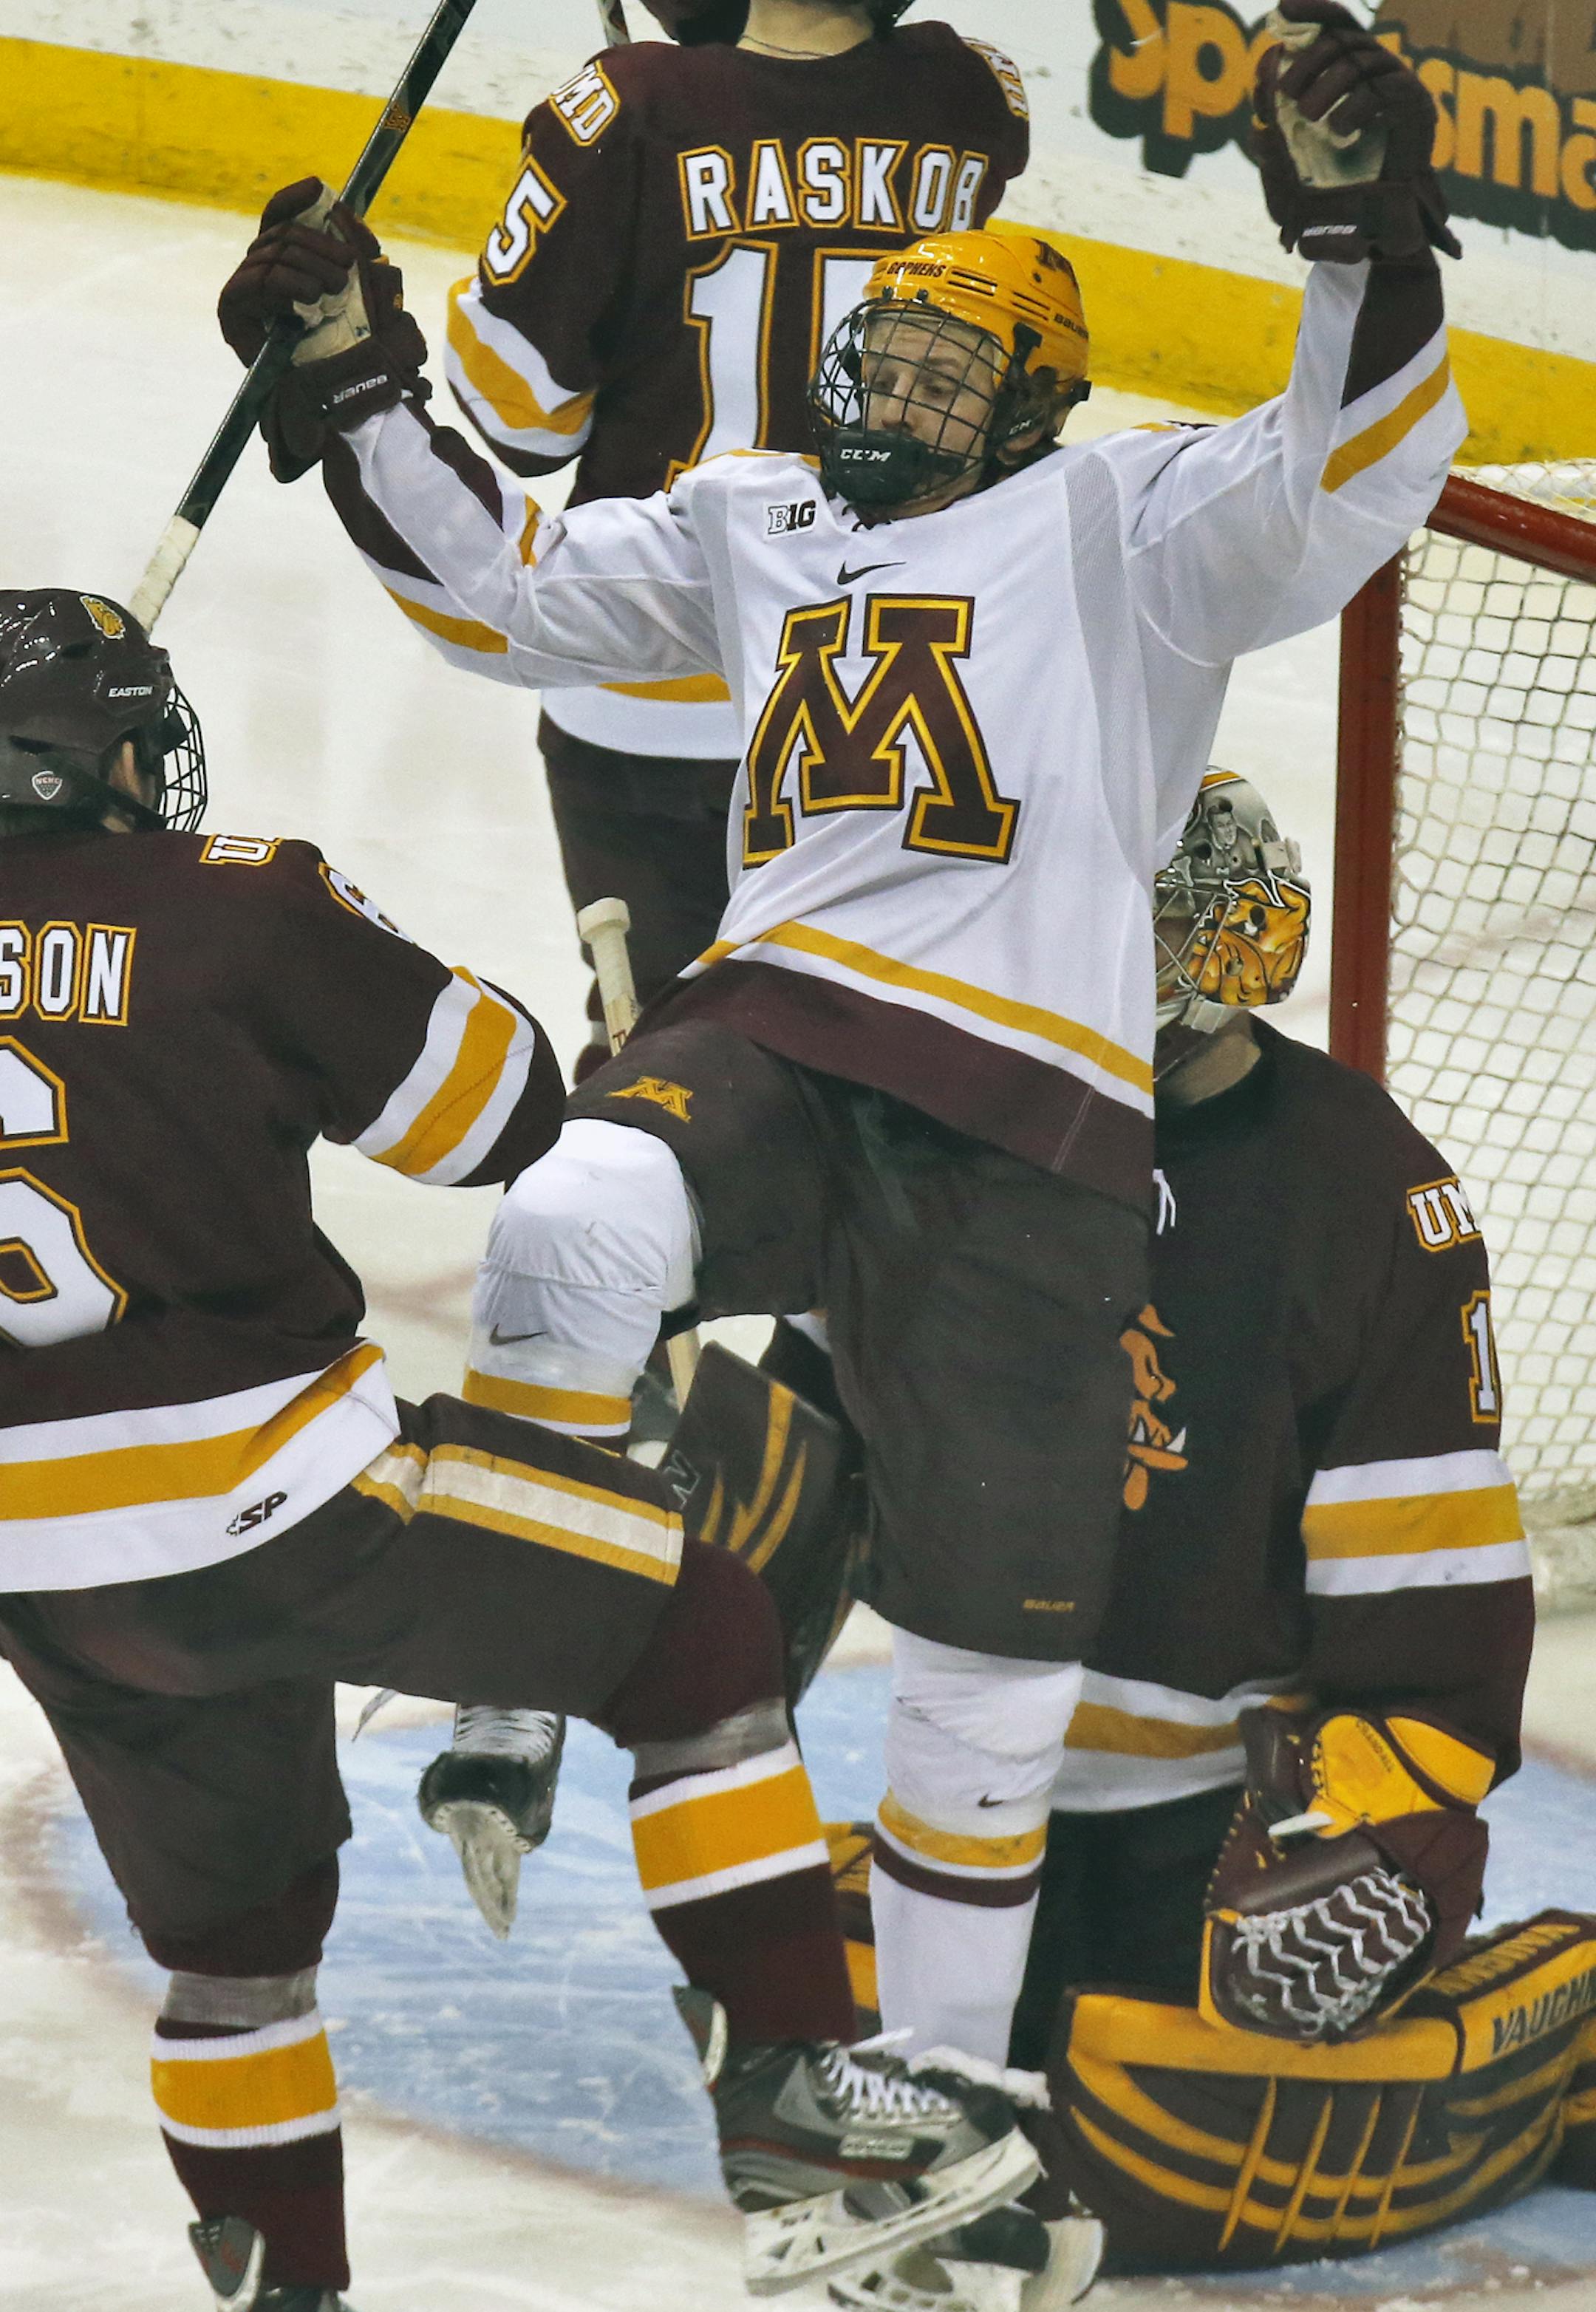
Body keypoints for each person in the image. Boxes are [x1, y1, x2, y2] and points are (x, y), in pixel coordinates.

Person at [214, 0, 1467, 2212]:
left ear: (1042, 399)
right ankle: (517, 1657)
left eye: (938, 374)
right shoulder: (756, 509)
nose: (886, 395)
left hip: (1035, 1130)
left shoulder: (1127, 524)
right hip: (784, 1024)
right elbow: (507, 597)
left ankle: (918, 2134)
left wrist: (1361, 240)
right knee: (582, 1211)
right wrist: (352, 387)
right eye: (873, 361)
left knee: (985, 1689)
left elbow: (1340, 479)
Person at [0, 591, 1039, 2312]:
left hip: (42, 1568)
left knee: (235, 1951)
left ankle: (285, 2288)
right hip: (265, 1492)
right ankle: (795, 2093)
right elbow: (494, 1112)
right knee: (689, 1621)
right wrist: (618, 1085)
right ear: (104, 751)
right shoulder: (236, 906)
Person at [822, 773, 1572, 2306]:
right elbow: (802, 1463)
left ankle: (1546, 1995)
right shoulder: (953, 1128)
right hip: (978, 1787)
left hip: (1228, 1813)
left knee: (1163, 2151)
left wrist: (1362, 1827)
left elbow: (1430, 1615)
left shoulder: (1361, 1190)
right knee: (834, 2043)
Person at [437, 0, 1029, 1065]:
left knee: (660, 1042)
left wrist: (603, 192)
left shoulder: (629, 109)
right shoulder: (969, 97)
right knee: (865, 1044)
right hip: (885, 682)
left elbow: (514, 421)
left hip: (647, 687)